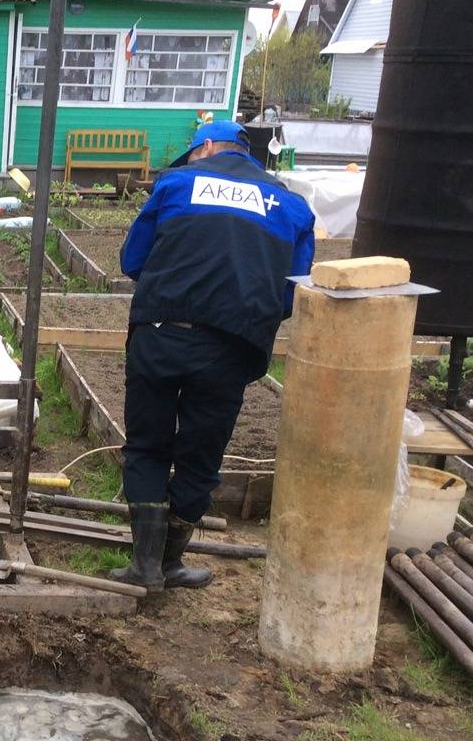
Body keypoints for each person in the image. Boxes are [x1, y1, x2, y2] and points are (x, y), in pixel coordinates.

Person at [112, 120, 315, 591]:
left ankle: (145, 565)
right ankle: (169, 563)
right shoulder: (291, 205)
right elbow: (291, 293)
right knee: (201, 453)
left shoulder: (178, 183)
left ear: (204, 148)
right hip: (230, 346)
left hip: (162, 333)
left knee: (148, 444)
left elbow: (133, 260)